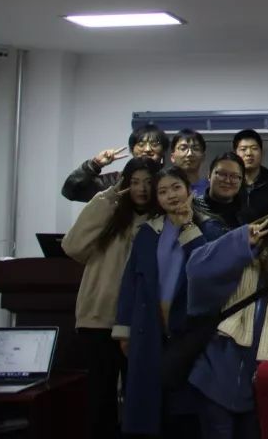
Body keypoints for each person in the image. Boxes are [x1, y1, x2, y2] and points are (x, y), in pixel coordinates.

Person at [112, 167, 226, 437]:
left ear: (189, 190)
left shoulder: (209, 227)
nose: (171, 195)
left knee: (187, 412)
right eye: (162, 191)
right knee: (150, 407)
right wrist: (124, 330)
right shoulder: (148, 232)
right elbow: (131, 282)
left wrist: (187, 227)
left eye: (176, 188)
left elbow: (207, 271)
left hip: (191, 333)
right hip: (150, 329)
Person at [186, 205, 268, 438]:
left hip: (257, 381)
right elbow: (196, 268)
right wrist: (239, 241)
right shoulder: (245, 254)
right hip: (217, 368)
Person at [62, 157, 159, 439]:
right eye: (134, 182)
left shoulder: (160, 221)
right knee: (99, 401)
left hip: (139, 323)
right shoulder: (109, 213)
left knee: (138, 402)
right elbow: (72, 246)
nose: (141, 189)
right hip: (99, 318)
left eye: (148, 182)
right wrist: (106, 200)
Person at [61, 123, 168, 203]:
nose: (147, 149)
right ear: (132, 150)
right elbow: (71, 192)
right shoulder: (115, 180)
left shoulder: (170, 180)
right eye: (141, 144)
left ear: (163, 151)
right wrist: (94, 164)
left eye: (154, 144)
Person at [194, 152, 265, 229]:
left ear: (241, 181)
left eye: (234, 176)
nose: (227, 180)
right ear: (209, 175)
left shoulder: (248, 215)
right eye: (222, 174)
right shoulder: (194, 209)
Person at [233, 129, 268, 220]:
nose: (249, 153)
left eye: (254, 148)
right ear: (235, 153)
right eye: (243, 149)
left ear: (262, 152)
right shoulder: (228, 185)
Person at [171, 129, 210, 197]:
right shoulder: (163, 187)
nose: (190, 154)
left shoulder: (211, 189)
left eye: (196, 149)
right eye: (183, 148)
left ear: (203, 156)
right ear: (172, 157)